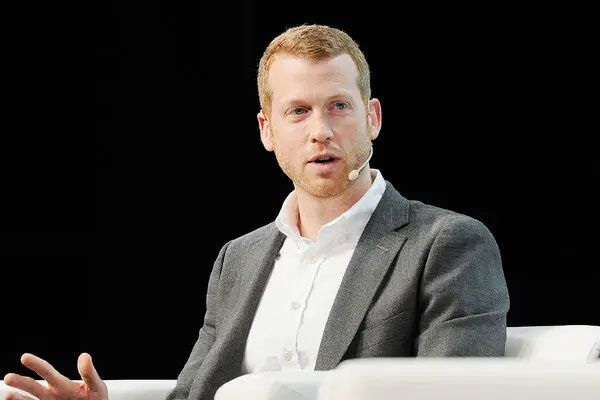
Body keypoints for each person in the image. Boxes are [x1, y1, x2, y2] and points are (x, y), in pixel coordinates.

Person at [3, 24, 510, 400]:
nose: (321, 131)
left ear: (371, 117)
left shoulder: (448, 243)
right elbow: (192, 393)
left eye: (339, 106)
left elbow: (455, 393)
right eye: (298, 111)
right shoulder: (238, 259)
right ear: (268, 131)